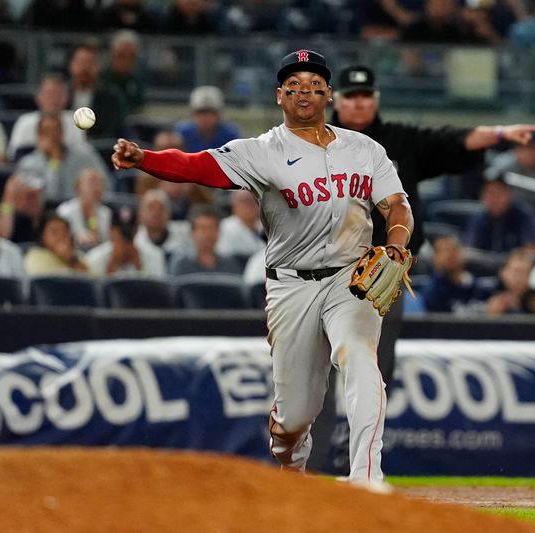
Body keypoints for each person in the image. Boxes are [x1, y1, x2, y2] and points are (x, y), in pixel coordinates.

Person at [113, 49, 413, 487]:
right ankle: (291, 465)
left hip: (351, 279)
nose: (305, 92)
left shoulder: (364, 149)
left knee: (360, 358)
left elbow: (397, 204)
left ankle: (367, 480)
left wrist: (397, 244)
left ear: (328, 93)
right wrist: (147, 160)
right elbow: (199, 166)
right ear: (279, 96)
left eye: (314, 84)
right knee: (296, 414)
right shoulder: (262, 151)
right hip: (291, 286)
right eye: (294, 86)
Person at [330, 63, 535, 410]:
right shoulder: (315, 142)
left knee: (376, 369)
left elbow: (454, 141)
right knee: (317, 370)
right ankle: (308, 460)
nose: (358, 103)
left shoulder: (401, 142)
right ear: (337, 100)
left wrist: (500, 133)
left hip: (383, 272)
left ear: (376, 100)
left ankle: (357, 459)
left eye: (365, 95)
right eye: (351, 96)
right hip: (326, 267)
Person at [16, 113, 109, 201]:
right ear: (39, 136)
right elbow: (50, 197)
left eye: (56, 131)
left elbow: (106, 183)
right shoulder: (29, 164)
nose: (53, 137)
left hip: (82, 210)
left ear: (62, 133)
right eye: (47, 132)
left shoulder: (84, 154)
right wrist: (54, 161)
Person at [7, 73, 87, 160]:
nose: (53, 100)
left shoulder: (76, 121)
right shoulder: (24, 122)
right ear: (38, 97)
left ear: (66, 98)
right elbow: (13, 157)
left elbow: (82, 157)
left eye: (58, 95)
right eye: (48, 94)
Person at [463, 176, 535, 253]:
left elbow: (531, 249)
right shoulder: (478, 218)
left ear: (509, 193)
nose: (494, 198)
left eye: (498, 192)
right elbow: (470, 251)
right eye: (490, 193)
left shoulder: (524, 215)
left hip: (516, 265)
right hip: (484, 265)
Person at [67, 41, 127, 140]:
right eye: (81, 62)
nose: (85, 68)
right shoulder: (60, 94)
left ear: (98, 66)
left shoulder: (111, 98)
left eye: (90, 63)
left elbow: (115, 132)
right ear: (71, 65)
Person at [420, 234, 490, 314]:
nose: (450, 254)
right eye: (443, 251)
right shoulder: (433, 293)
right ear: (435, 259)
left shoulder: (479, 286)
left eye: (454, 249)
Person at [168, 205, 243, 276]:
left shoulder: (230, 264)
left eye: (212, 228)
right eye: (203, 229)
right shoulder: (182, 263)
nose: (208, 234)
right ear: (193, 232)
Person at [85, 217, 165, 278]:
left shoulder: (154, 255)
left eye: (129, 236)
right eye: (122, 235)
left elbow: (156, 293)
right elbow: (97, 296)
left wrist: (140, 267)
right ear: (111, 231)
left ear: (136, 231)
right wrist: (112, 264)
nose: (126, 241)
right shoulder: (95, 258)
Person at [56, 168, 112, 251]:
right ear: (78, 187)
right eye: (91, 182)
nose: (96, 187)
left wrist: (92, 216)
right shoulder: (65, 211)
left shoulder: (106, 213)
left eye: (100, 183)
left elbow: (103, 241)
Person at [174, 86, 241, 153]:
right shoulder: (182, 132)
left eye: (211, 112)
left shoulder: (229, 134)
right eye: (201, 112)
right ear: (193, 114)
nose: (205, 118)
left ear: (219, 114)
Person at [485, 248, 535, 316]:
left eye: (525, 273)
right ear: (503, 272)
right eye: (516, 272)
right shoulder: (486, 291)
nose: (519, 279)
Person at [24, 212, 88, 275]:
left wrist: (72, 260)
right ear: (42, 237)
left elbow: (90, 280)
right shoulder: (35, 255)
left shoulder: (78, 255)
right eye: (54, 232)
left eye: (65, 231)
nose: (61, 236)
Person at [100, 30, 145, 113]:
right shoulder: (100, 80)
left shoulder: (136, 81)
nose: (126, 61)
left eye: (131, 56)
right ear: (112, 54)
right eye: (122, 55)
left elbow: (140, 108)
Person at [216, 189, 265, 261]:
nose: (250, 204)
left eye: (254, 200)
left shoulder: (267, 226)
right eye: (245, 200)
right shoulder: (225, 227)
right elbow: (225, 257)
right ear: (234, 205)